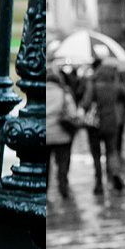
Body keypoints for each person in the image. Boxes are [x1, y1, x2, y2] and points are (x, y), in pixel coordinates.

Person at [80, 56, 125, 192]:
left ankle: (99, 182)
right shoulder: (115, 86)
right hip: (111, 122)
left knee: (96, 154)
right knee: (112, 151)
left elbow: (86, 103)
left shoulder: (93, 84)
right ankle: (115, 174)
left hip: (95, 124)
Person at [45, 66, 81, 198]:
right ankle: (63, 188)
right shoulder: (64, 93)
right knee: (62, 163)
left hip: (46, 135)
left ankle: (46, 189)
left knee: (46, 165)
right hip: (62, 135)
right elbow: (72, 113)